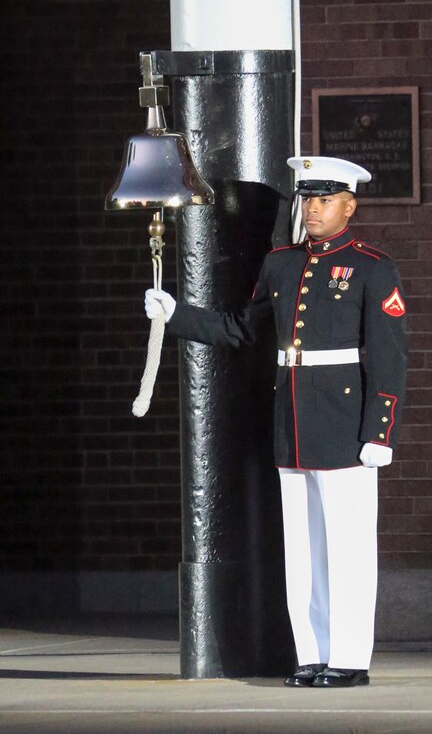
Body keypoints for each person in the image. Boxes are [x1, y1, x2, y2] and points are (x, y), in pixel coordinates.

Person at [145, 156, 407, 688]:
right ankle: (311, 654)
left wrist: (379, 432)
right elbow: (244, 329)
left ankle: (350, 658)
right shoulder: (282, 264)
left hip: (345, 426)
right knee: (302, 548)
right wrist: (176, 316)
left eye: (326, 199)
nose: (314, 208)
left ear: (349, 206)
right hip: (292, 420)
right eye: (308, 198)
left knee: (347, 547)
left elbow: (387, 356)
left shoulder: (371, 267)